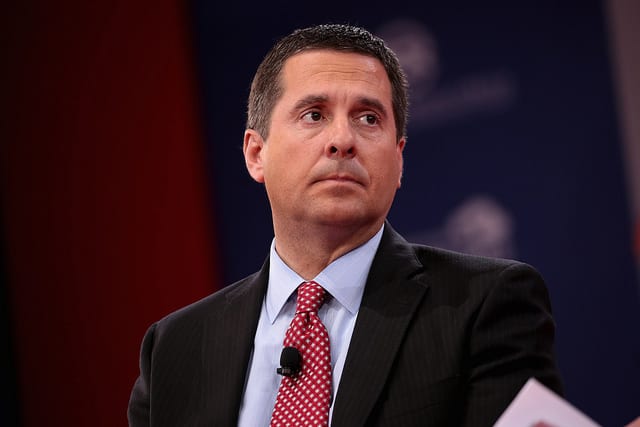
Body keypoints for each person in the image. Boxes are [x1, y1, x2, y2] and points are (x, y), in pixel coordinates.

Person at [127, 23, 564, 426]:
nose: (342, 140)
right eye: (314, 114)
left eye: (368, 118)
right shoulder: (174, 348)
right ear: (256, 154)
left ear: (398, 160)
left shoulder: (485, 305)